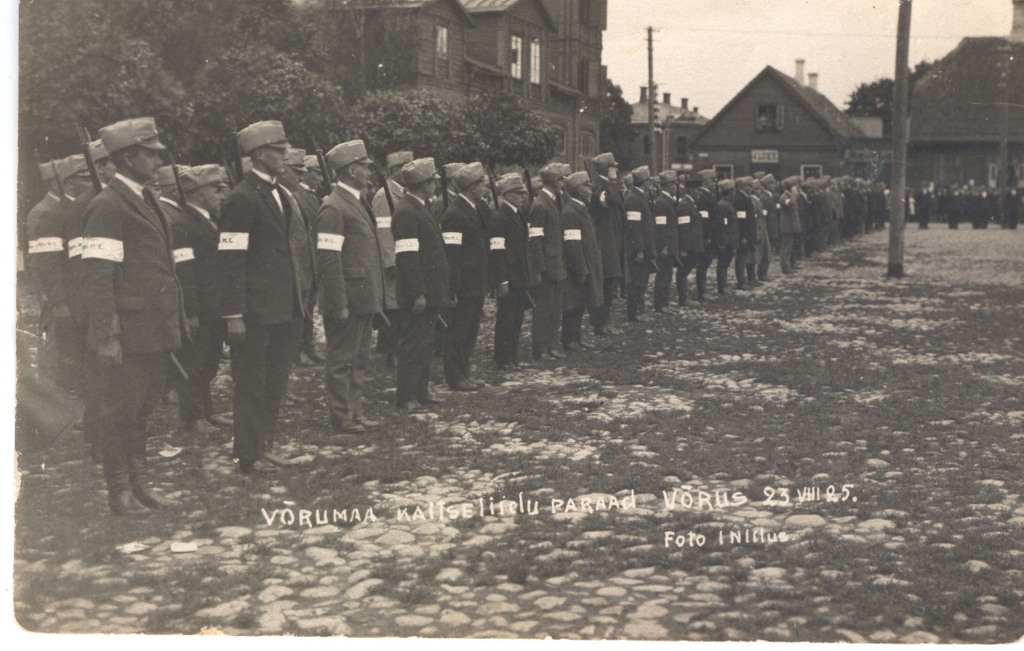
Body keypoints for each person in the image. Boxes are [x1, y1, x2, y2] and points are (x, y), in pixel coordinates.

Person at [79, 117, 184, 515]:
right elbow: (97, 277)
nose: (157, 161)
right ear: (127, 158)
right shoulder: (106, 206)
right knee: (119, 411)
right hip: (129, 329)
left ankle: (140, 486)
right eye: (150, 154)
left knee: (141, 410)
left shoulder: (146, 197)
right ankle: (119, 492)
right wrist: (107, 336)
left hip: (153, 327)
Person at [217, 120, 315, 474]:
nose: (285, 156)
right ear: (259, 154)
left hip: (284, 306)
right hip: (256, 311)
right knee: (251, 384)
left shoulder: (279, 192)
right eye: (278, 150)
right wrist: (232, 314)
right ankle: (248, 453)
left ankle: (265, 445)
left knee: (275, 381)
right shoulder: (241, 198)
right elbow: (230, 261)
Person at [315, 140, 386, 434]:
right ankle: (341, 415)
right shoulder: (333, 207)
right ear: (351, 170)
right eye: (364, 167)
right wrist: (338, 303)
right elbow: (328, 260)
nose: (368, 172)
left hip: (365, 296)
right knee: (342, 359)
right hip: (348, 298)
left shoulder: (355, 201)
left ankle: (354, 411)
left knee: (358, 359)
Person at [171, 164, 232, 437]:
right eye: (215, 189)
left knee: (209, 361)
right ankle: (192, 416)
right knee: (194, 362)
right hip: (200, 308)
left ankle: (206, 410)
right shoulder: (182, 224)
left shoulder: (210, 220)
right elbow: (184, 272)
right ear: (196, 194)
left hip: (215, 305)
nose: (221, 194)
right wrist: (191, 312)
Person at [392, 158, 451, 413]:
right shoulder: (406, 211)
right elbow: (408, 257)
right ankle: (407, 395)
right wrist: (417, 293)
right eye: (433, 182)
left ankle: (421, 391)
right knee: (413, 345)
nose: (436, 186)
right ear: (422, 184)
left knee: (425, 344)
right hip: (418, 292)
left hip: (430, 290)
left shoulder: (421, 207)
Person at [441, 162, 491, 389]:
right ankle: (455, 376)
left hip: (477, 280)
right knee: (458, 331)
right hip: (464, 284)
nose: (485, 188)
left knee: (470, 330)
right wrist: (453, 287)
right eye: (482, 184)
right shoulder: (454, 213)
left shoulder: (475, 207)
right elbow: (451, 255)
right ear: (472, 187)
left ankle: (464, 372)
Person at [281, 147, 324, 365]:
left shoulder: (304, 197)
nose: (318, 177)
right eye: (315, 172)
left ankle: (305, 346)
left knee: (307, 308)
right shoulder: (295, 196)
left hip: (309, 262)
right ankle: (299, 349)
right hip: (300, 264)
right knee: (301, 311)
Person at [371, 150, 413, 368]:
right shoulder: (383, 196)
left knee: (401, 307)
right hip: (393, 262)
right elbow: (384, 231)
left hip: (404, 257)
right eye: (408, 167)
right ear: (396, 171)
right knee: (393, 307)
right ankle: (391, 353)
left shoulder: (402, 193)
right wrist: (391, 262)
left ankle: (397, 350)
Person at [488, 173, 534, 370]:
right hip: (509, 277)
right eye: (518, 193)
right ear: (507, 195)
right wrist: (502, 280)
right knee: (506, 318)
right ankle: (502, 358)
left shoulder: (517, 215)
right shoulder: (500, 218)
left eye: (523, 193)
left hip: (520, 275)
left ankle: (511, 356)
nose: (523, 197)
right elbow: (497, 252)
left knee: (516, 318)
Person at [528, 163, 568, 360]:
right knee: (543, 309)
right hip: (547, 266)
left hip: (556, 264)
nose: (563, 184)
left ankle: (551, 345)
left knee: (555, 308)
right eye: (560, 180)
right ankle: (541, 348)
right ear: (554, 182)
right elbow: (534, 239)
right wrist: (540, 268)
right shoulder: (541, 205)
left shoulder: (553, 201)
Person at [560, 171, 603, 351]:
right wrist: (581, 269)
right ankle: (569, 339)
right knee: (573, 304)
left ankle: (577, 337)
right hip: (578, 267)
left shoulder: (580, 208)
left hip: (587, 264)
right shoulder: (571, 212)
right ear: (577, 190)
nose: (590, 190)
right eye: (586, 186)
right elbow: (573, 245)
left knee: (581, 303)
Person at [588, 153, 624, 336]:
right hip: (604, 244)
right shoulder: (600, 187)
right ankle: (600, 323)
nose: (616, 170)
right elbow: (611, 200)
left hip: (610, 242)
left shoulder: (605, 186)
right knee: (604, 284)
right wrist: (614, 181)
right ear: (607, 169)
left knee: (609, 284)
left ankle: (604, 321)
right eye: (613, 167)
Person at [623, 166, 656, 321]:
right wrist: (639, 249)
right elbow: (634, 227)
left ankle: (639, 310)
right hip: (638, 250)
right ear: (646, 182)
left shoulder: (639, 196)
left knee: (641, 281)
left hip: (643, 248)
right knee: (637, 281)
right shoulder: (634, 199)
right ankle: (635, 312)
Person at [652, 170, 680, 312]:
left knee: (667, 274)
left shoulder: (666, 200)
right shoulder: (662, 202)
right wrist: (663, 246)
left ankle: (664, 303)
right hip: (666, 246)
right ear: (668, 185)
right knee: (663, 275)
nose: (676, 186)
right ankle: (661, 304)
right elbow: (661, 227)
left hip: (669, 245)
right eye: (674, 184)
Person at [733, 177, 758, 290]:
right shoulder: (740, 199)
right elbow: (741, 220)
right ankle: (741, 281)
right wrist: (743, 236)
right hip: (744, 234)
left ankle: (749, 279)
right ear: (743, 187)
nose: (751, 188)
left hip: (748, 233)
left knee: (746, 256)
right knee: (741, 258)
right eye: (749, 185)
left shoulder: (746, 198)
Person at [778, 176, 802, 274]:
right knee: (786, 247)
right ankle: (785, 267)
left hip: (792, 225)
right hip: (787, 226)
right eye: (795, 186)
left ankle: (792, 263)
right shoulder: (784, 197)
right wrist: (795, 194)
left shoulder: (790, 195)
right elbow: (790, 203)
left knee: (792, 246)